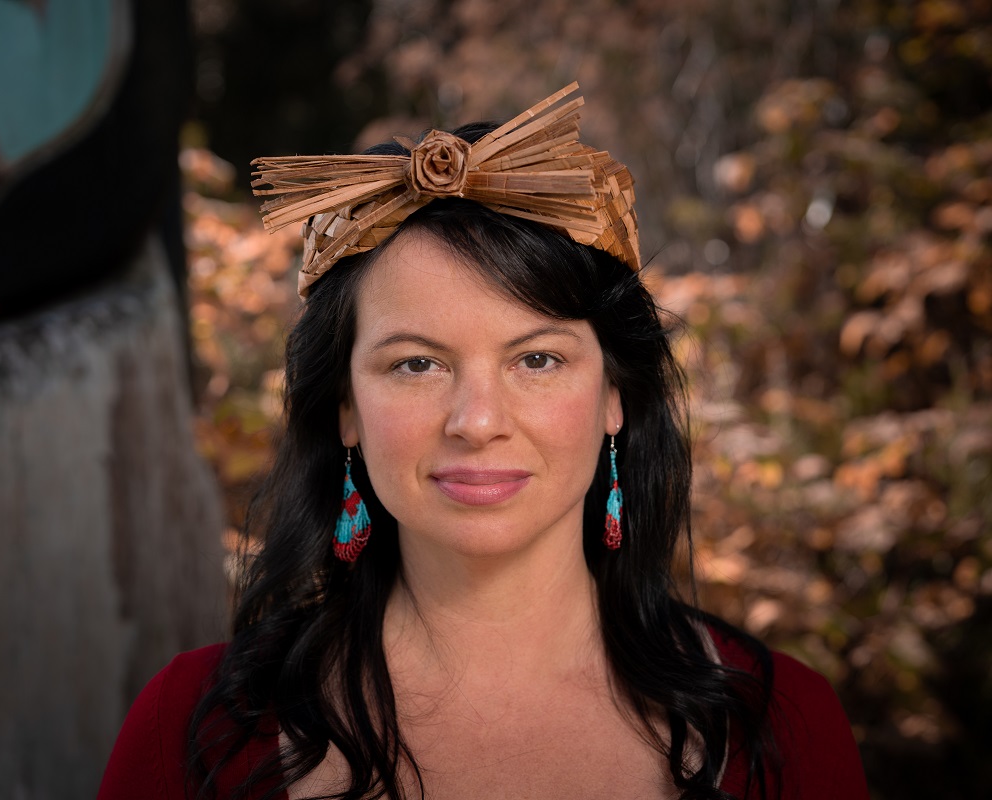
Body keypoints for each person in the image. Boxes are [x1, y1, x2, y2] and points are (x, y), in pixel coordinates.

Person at [98, 83, 869, 800]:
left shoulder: (784, 729)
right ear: (346, 409)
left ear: (614, 397)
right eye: (417, 364)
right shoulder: (192, 731)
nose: (476, 419)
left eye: (536, 359)